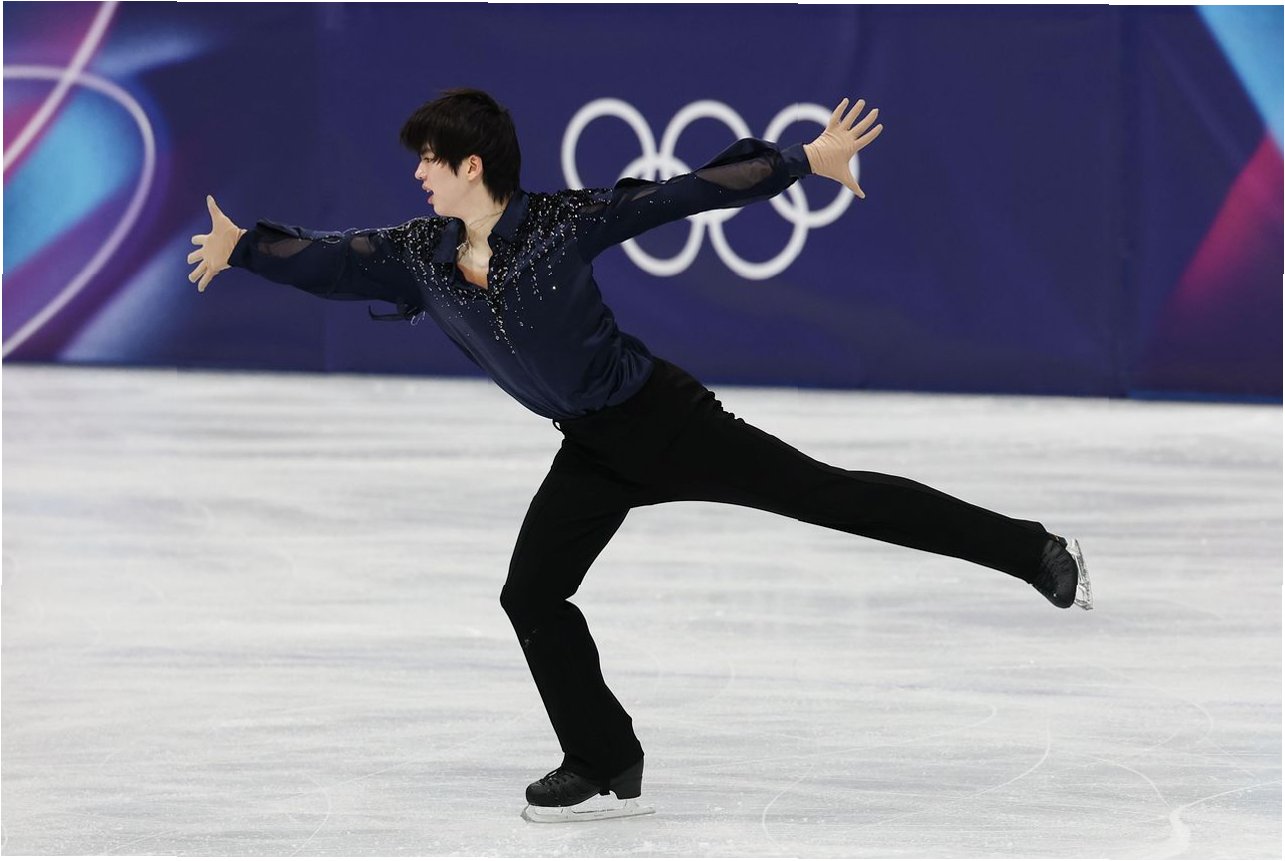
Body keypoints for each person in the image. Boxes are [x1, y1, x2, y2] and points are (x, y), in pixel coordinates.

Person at [187, 87, 1091, 823]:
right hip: (591, 447)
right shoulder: (423, 253)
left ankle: (1033, 549)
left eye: (429, 158)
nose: (417, 173)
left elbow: (684, 192)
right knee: (530, 594)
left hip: (664, 420)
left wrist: (804, 160)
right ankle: (603, 757)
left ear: (471, 166)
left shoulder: (558, 224)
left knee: (834, 495)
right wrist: (245, 248)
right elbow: (334, 259)